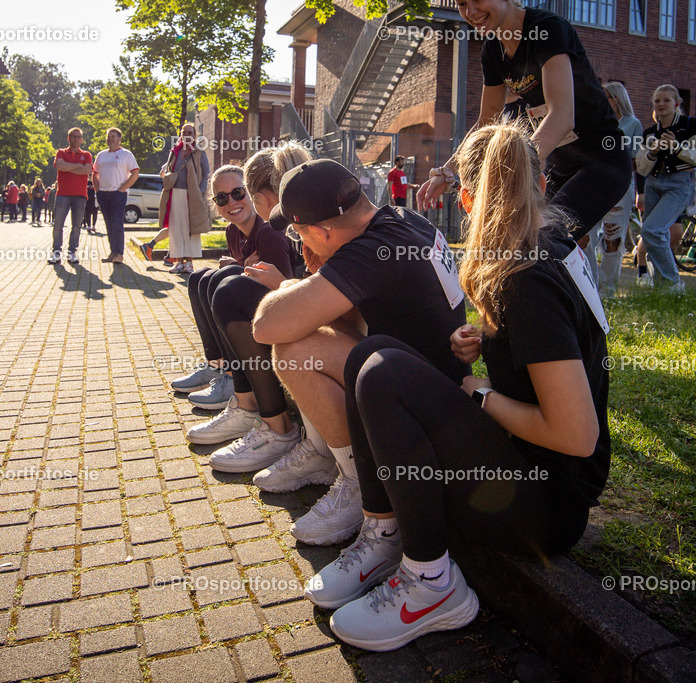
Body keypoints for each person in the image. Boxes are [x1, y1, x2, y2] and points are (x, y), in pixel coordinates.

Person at [307, 121, 610, 652]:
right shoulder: (550, 246)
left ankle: (432, 583)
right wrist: (486, 342)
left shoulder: (526, 279)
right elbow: (561, 351)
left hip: (546, 507)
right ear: (540, 185)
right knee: (370, 354)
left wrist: (479, 393)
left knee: (383, 375)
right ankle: (386, 531)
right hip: (530, 470)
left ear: (466, 199)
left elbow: (576, 435)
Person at [251, 159, 469, 547]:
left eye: (300, 233)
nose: (300, 243)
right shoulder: (400, 219)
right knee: (314, 331)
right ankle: (334, 460)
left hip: (426, 416)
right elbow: (350, 319)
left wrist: (290, 287)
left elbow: (266, 326)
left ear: (322, 230)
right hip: (433, 381)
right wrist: (319, 277)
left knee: (294, 350)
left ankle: (359, 482)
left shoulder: (369, 251)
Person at [418, 0, 631, 244]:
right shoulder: (492, 50)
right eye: (462, 3)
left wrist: (517, 166)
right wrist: (447, 172)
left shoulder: (547, 29)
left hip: (603, 161)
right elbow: (486, 122)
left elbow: (562, 116)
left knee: (543, 241)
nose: (470, 12)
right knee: (516, 239)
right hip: (557, 167)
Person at [168, 163, 304, 472]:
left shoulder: (268, 232)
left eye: (238, 193)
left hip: (286, 314)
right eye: (222, 198)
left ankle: (250, 401)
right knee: (202, 278)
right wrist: (240, 266)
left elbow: (284, 288)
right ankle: (221, 369)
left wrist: (239, 269)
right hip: (262, 313)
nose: (231, 202)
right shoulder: (233, 232)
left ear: (252, 195)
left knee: (226, 284)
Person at [633, 84, 695, 292]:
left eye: (666, 100)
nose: (661, 104)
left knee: (651, 230)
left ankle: (673, 283)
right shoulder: (650, 132)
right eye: (657, 100)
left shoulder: (690, 125)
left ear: (676, 103)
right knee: (656, 235)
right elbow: (641, 168)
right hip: (653, 183)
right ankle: (663, 290)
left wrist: (676, 147)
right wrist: (653, 152)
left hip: (679, 183)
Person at [592, 82, 642, 295]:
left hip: (620, 187)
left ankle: (607, 290)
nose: (604, 101)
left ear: (618, 98)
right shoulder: (595, 121)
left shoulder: (633, 124)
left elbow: (635, 160)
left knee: (613, 239)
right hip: (592, 184)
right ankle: (590, 287)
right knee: (587, 236)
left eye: (608, 97)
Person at [159, 123, 210, 274]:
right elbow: (167, 169)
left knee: (191, 228)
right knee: (176, 228)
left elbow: (206, 174)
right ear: (181, 135)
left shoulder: (200, 153)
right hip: (175, 194)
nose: (187, 135)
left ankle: (189, 262)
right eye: (184, 132)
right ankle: (179, 262)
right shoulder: (174, 152)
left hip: (192, 195)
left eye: (190, 132)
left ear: (194, 136)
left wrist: (201, 191)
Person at [93, 127, 140, 264]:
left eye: (113, 136)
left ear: (119, 139)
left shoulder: (126, 154)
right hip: (103, 194)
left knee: (117, 223)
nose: (110, 139)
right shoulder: (101, 155)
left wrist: (122, 189)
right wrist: (97, 190)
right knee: (108, 224)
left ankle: (119, 254)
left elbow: (135, 173)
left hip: (118, 194)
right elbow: (95, 173)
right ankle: (112, 253)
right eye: (108, 136)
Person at [49, 128, 92, 265]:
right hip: (63, 194)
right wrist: (78, 165)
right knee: (58, 225)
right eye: (73, 136)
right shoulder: (61, 152)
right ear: (68, 138)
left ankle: (72, 252)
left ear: (81, 139)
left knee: (76, 226)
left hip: (80, 195)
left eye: (78, 137)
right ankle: (56, 252)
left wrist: (69, 167)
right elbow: (60, 166)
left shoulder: (86, 155)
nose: (76, 139)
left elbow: (87, 169)